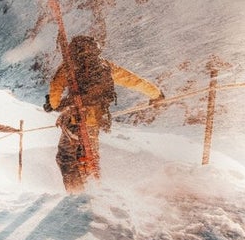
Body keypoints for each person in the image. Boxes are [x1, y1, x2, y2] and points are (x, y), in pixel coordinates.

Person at [44, 33, 163, 188]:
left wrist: (52, 104)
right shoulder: (105, 66)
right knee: (90, 158)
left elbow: (55, 93)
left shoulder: (69, 66)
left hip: (74, 120)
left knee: (66, 157)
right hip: (93, 121)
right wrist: (156, 93)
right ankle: (94, 189)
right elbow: (133, 80)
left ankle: (76, 195)